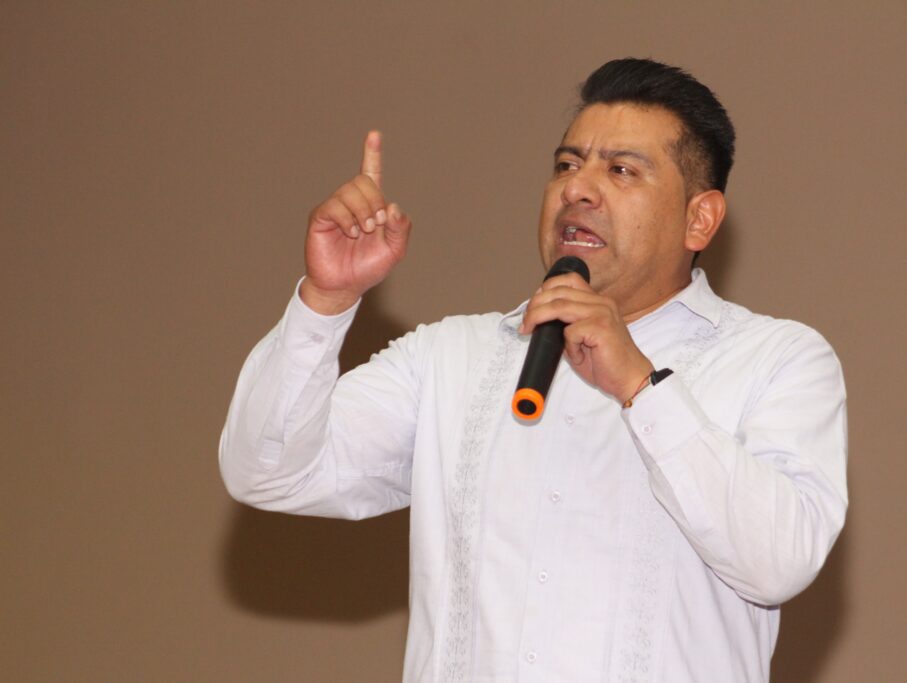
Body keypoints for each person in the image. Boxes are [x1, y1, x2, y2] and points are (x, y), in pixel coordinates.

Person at [220, 58, 847, 682]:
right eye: (567, 165)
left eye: (621, 170)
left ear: (699, 219)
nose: (577, 190)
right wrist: (326, 301)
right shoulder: (450, 357)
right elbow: (269, 471)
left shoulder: (778, 359)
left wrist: (641, 386)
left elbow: (781, 561)